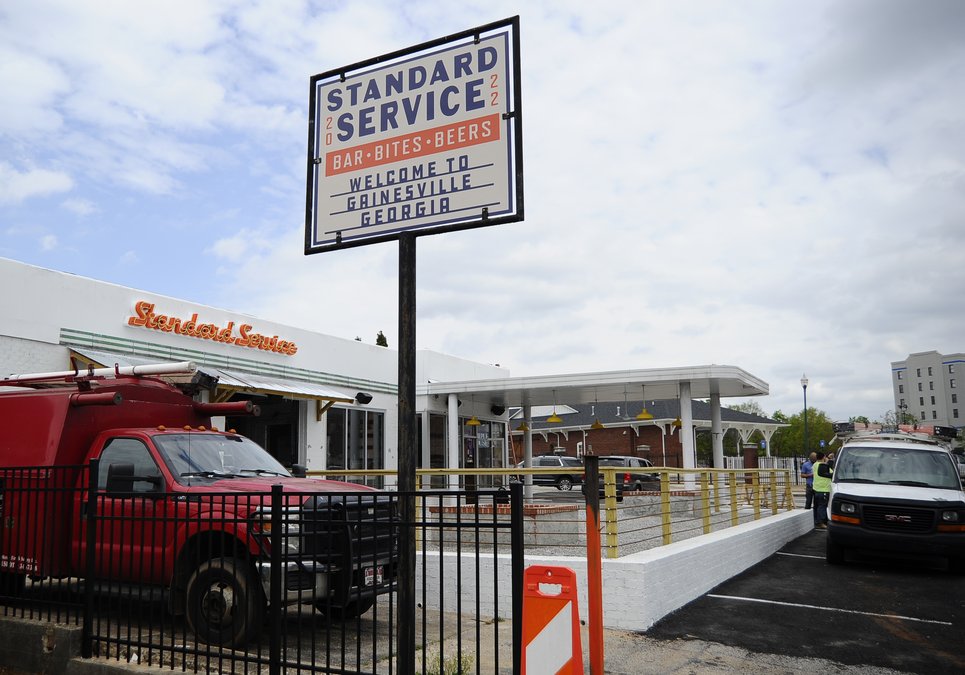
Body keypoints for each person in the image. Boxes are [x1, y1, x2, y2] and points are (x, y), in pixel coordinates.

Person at [812, 451, 832, 529]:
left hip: (816, 488)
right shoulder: (823, 465)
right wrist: (827, 462)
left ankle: (816, 521)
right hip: (824, 489)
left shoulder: (815, 465)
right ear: (823, 457)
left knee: (816, 506)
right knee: (822, 506)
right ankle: (821, 523)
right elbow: (831, 473)